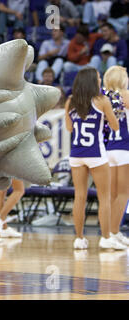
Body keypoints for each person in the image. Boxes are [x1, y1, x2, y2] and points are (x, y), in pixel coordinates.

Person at [64, 67, 125, 250]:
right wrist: (109, 115)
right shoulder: (102, 100)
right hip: (96, 154)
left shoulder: (70, 101)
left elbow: (69, 128)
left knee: (79, 197)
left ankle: (79, 238)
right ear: (92, 80)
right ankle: (106, 238)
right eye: (98, 78)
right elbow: (114, 127)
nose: (100, 81)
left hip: (76, 154)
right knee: (104, 197)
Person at [102, 66, 129, 246]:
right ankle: (112, 232)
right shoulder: (126, 95)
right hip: (124, 148)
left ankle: (112, 233)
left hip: (108, 149)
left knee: (112, 195)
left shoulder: (103, 98)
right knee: (123, 194)